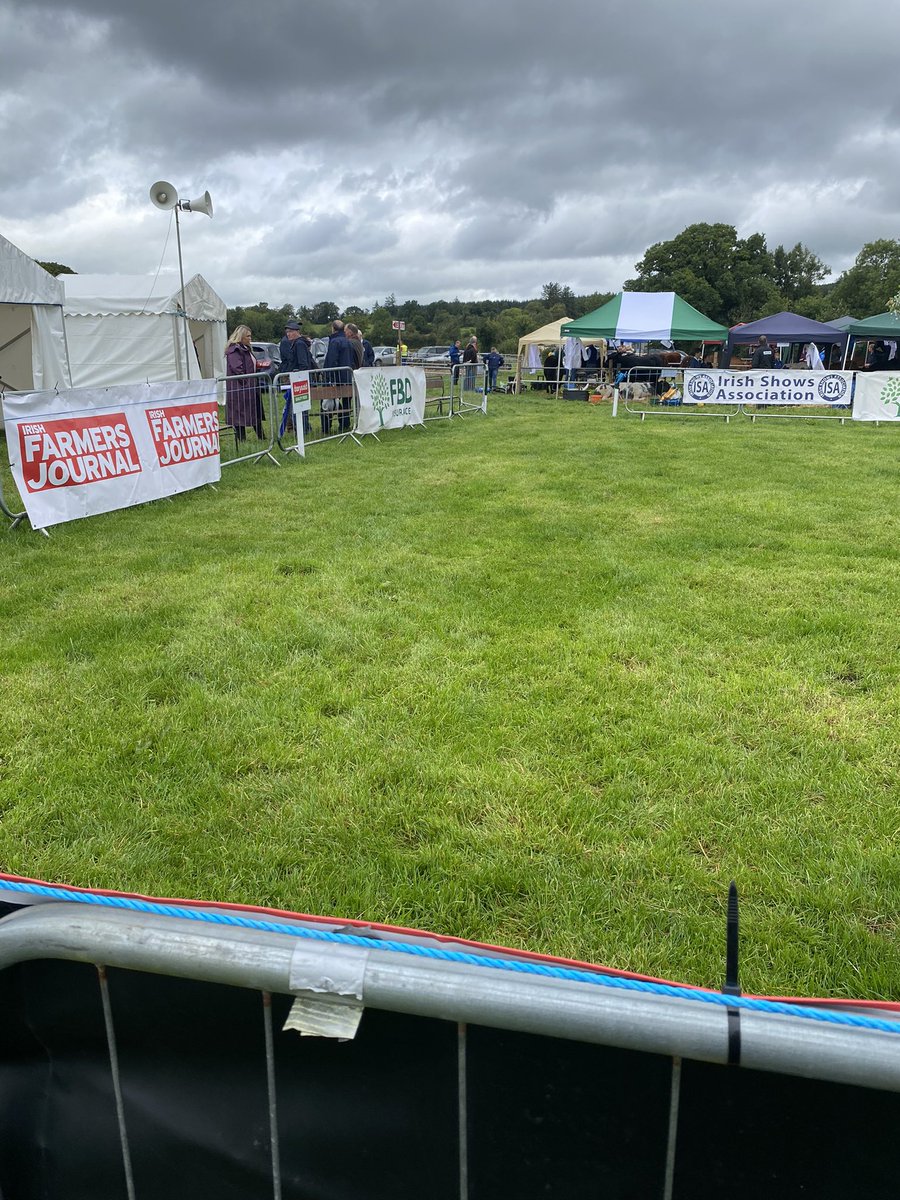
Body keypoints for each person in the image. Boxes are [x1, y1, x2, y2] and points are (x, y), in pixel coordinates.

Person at [224, 325, 263, 441]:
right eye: (248, 336)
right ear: (241, 336)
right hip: (239, 388)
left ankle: (261, 437)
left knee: (254, 412)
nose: (250, 338)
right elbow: (237, 368)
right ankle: (241, 440)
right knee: (239, 415)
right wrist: (246, 381)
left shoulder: (245, 348)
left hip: (248, 387)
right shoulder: (235, 350)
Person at [323, 319, 355, 434]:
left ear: (333, 328)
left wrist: (329, 378)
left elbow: (332, 361)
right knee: (346, 403)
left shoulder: (335, 342)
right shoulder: (348, 342)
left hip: (337, 378)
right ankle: (345, 424)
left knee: (328, 401)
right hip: (347, 377)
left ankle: (326, 427)